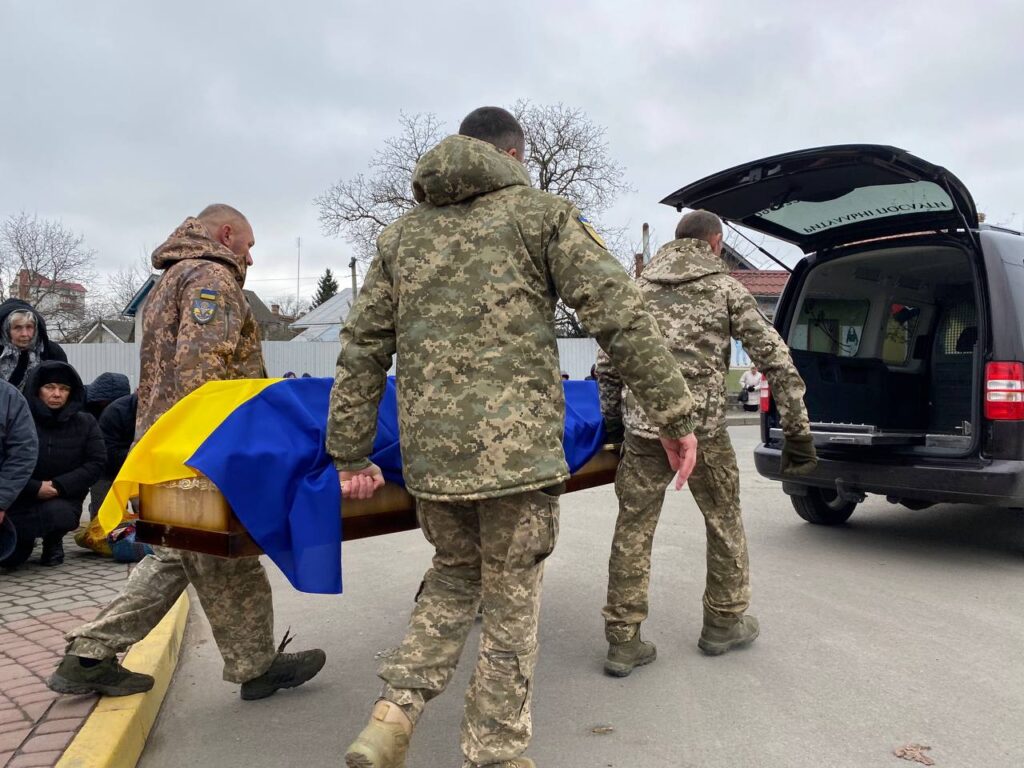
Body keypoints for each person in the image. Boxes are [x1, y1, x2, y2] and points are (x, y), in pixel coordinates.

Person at [329, 107, 698, 768]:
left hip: (435, 461)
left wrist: (350, 451)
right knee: (510, 602)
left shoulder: (400, 239)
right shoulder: (542, 216)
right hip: (517, 461)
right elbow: (620, 313)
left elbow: (360, 350)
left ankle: (393, 713)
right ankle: (495, 752)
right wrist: (673, 415)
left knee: (451, 579)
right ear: (514, 155)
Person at [49, 205, 325, 700]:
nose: (252, 257)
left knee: (195, 553)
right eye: (250, 244)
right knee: (216, 551)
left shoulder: (171, 280)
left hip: (169, 443)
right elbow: (203, 374)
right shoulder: (210, 278)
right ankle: (96, 654)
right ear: (226, 234)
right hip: (199, 448)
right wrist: (230, 452)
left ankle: (95, 655)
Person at [597, 209, 817, 675]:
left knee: (633, 530)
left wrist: (613, 427)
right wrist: (797, 429)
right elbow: (776, 360)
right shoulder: (725, 289)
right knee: (724, 522)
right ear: (716, 244)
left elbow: (608, 364)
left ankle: (623, 640)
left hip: (644, 431)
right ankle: (723, 622)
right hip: (708, 431)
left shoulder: (635, 291)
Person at [0, 362, 104, 568]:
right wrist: (34, 487)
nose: (57, 394)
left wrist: (58, 486)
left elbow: (96, 463)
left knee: (58, 515)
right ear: (37, 388)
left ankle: (53, 541)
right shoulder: (20, 418)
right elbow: (11, 458)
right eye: (50, 387)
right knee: (12, 559)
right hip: (20, 496)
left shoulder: (86, 423)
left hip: (63, 497)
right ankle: (24, 541)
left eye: (64, 389)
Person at [0, 379, 39, 564]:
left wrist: (1, 501)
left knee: (14, 556)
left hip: (5, 491)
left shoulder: (9, 397)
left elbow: (23, 453)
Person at [84, 373, 132, 519]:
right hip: (102, 467)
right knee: (104, 512)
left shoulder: (126, 410)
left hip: (127, 463)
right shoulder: (82, 407)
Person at [0, 299, 69, 391]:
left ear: (36, 328)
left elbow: (63, 388)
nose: (24, 334)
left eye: (29, 327)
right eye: (17, 327)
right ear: (5, 330)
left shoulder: (51, 352)